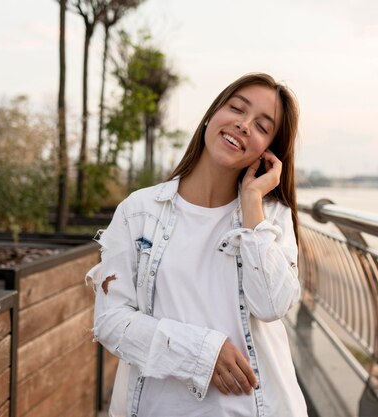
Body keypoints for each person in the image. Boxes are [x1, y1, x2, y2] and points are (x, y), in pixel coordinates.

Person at [86, 72, 307, 417]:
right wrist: (203, 352)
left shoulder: (271, 218)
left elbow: (272, 305)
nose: (244, 125)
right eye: (237, 108)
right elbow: (111, 323)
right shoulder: (139, 211)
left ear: (268, 153)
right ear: (212, 114)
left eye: (263, 127)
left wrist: (252, 204)